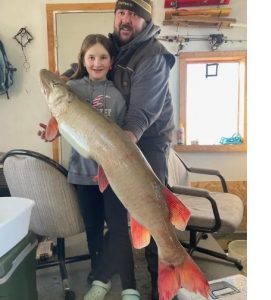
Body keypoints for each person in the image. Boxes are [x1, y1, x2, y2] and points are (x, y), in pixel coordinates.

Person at [62, 1, 176, 299]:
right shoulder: (113, 45)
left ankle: (162, 281)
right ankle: (104, 273)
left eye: (134, 15)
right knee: (115, 218)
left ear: (145, 21)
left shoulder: (154, 56)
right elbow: (83, 67)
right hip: (115, 143)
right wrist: (65, 84)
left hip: (146, 140)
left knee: (152, 212)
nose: (125, 20)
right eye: (121, 13)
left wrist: (116, 146)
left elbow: (141, 114)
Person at [39, 34, 140, 300]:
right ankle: (99, 280)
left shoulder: (118, 97)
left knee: (119, 229)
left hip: (114, 176)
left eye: (103, 57)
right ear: (83, 60)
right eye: (91, 57)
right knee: (93, 230)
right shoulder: (72, 88)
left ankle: (130, 284)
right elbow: (63, 124)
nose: (97, 62)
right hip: (82, 175)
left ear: (111, 61)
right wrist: (52, 133)